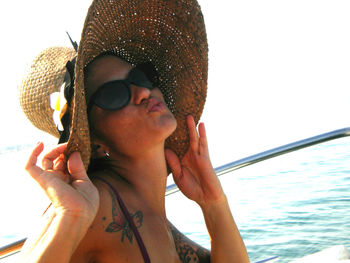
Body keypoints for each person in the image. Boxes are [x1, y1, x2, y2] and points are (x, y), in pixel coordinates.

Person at [19, 0, 250, 262]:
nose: (142, 92)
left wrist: (214, 204)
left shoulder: (151, 214)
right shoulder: (93, 206)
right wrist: (69, 217)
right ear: (95, 142)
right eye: (115, 93)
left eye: (140, 76)